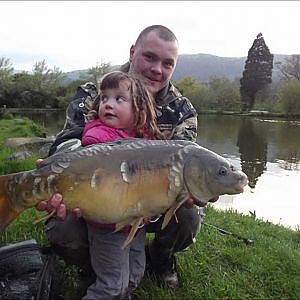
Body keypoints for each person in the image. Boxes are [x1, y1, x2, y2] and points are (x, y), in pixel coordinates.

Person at [37, 25, 204, 290]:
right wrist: (58, 169)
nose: (157, 69)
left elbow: (187, 161)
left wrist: (199, 186)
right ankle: (98, 268)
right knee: (63, 229)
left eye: (167, 63)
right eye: (150, 57)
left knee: (189, 215)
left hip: (153, 200)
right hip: (99, 196)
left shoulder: (181, 109)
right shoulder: (98, 91)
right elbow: (67, 139)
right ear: (132, 52)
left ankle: (160, 259)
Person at [80, 71, 164, 299]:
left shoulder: (147, 139)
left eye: (119, 99)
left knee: (135, 273)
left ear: (139, 107)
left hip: (136, 224)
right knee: (112, 284)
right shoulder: (97, 137)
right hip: (107, 226)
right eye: (104, 98)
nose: (108, 104)